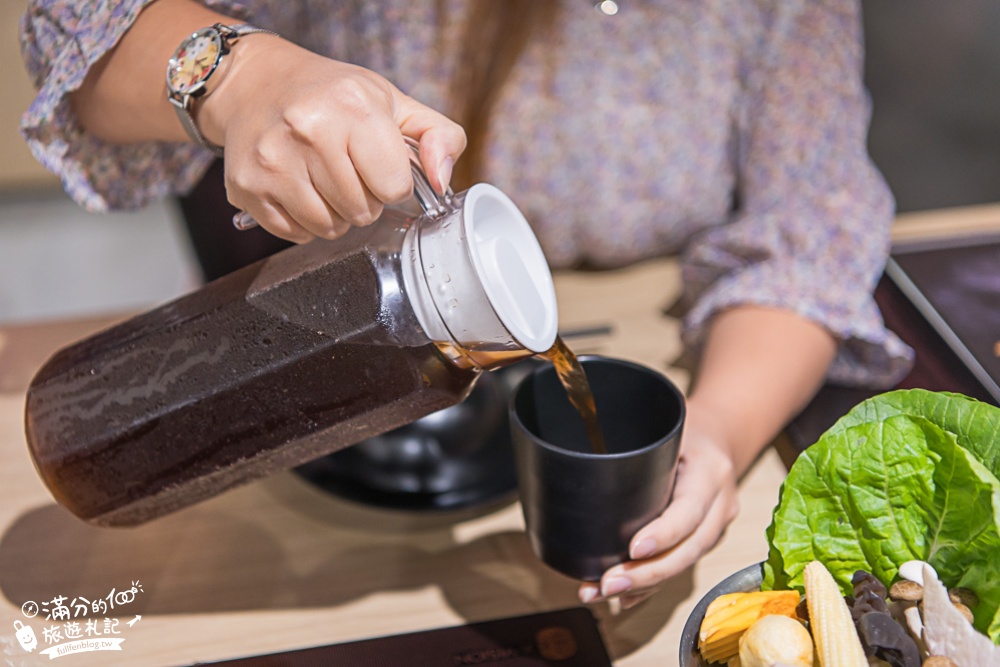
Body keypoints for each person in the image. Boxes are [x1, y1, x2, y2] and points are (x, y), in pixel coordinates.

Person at [20, 0, 912, 608]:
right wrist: (244, 79)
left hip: (590, 345)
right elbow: (80, 27)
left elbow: (810, 220)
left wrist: (715, 432)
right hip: (275, 443)